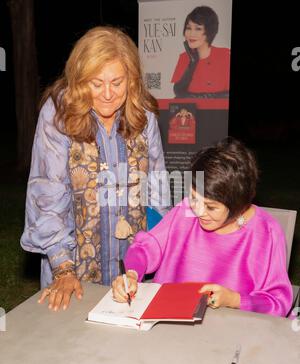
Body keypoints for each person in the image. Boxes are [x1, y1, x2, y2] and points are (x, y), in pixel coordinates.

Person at [21, 26, 170, 311]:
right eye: (96, 83)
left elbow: (158, 192)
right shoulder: (58, 115)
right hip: (72, 266)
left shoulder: (144, 115)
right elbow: (47, 196)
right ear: (79, 80)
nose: (107, 94)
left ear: (132, 80)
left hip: (134, 267)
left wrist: (153, 254)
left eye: (117, 82)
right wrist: (63, 270)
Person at [112, 138, 293, 318]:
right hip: (169, 320)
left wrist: (235, 300)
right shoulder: (186, 212)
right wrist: (132, 274)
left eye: (211, 207)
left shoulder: (266, 232)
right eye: (193, 198)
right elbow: (146, 248)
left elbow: (278, 302)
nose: (198, 211)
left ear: (239, 204)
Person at [171, 6, 230, 99]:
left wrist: (203, 98)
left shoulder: (225, 55)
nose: (191, 34)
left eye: (198, 29)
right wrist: (192, 63)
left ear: (209, 32)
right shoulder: (184, 57)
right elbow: (178, 91)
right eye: (188, 28)